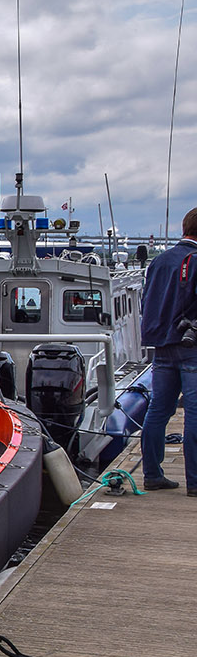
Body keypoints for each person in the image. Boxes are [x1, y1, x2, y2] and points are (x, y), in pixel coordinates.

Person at [139, 206, 197, 494]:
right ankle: (195, 482)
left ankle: (152, 474)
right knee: (194, 415)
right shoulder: (195, 259)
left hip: (161, 346)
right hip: (191, 348)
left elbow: (147, 301)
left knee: (158, 411)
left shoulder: (159, 261)